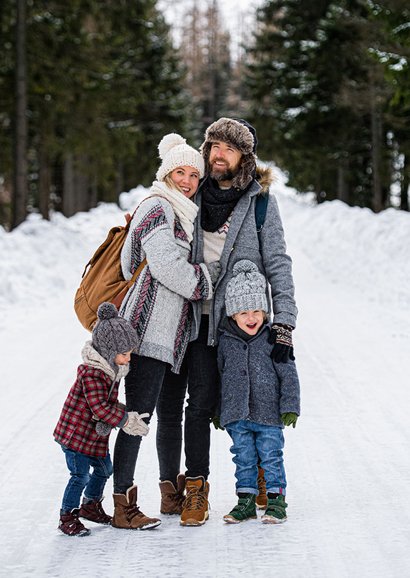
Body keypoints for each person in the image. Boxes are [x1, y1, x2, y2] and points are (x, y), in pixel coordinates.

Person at [156, 118, 298, 527]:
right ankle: (178, 488)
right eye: (213, 145)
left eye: (228, 149)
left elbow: (277, 264)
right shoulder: (189, 191)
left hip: (235, 324)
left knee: (241, 396)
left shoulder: (259, 203)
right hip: (182, 315)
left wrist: (283, 321)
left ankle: (258, 476)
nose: (218, 154)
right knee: (179, 406)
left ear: (244, 157)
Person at [112, 133, 219, 529]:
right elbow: (166, 266)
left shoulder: (181, 211)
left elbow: (132, 263)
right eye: (181, 172)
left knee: (161, 413)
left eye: (195, 174)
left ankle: (169, 494)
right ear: (166, 173)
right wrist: (207, 280)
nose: (189, 181)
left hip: (169, 334)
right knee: (138, 415)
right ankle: (123, 502)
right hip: (148, 331)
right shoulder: (158, 206)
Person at [53, 302, 152, 537]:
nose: (128, 359)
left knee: (105, 469)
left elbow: (106, 405)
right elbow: (98, 407)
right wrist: (126, 420)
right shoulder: (93, 373)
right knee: (80, 475)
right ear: (109, 351)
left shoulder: (110, 370)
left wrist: (127, 412)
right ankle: (67, 515)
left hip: (93, 437)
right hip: (75, 436)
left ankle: (90, 505)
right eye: (124, 354)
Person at [217, 260, 300, 524]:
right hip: (237, 416)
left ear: (265, 311)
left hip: (268, 414)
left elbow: (289, 374)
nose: (251, 318)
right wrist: (219, 410)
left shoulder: (273, 338)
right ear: (233, 315)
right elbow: (220, 377)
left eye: (256, 311)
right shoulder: (225, 342)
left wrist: (290, 407)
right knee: (243, 459)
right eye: (244, 313)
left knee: (271, 457)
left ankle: (276, 502)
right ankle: (246, 502)